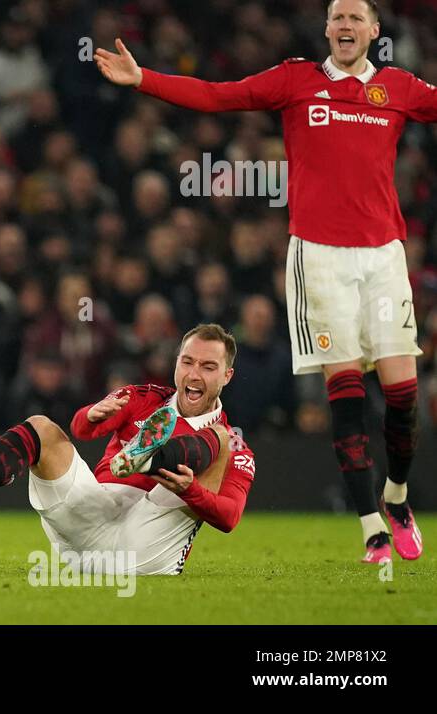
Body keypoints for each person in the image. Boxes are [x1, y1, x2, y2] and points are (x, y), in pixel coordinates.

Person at [95, 0, 432, 562]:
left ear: (375, 30)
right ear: (327, 29)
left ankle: (396, 496)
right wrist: (143, 79)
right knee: (344, 389)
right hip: (319, 258)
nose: (345, 26)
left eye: (356, 18)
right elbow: (218, 95)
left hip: (382, 257)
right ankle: (371, 523)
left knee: (402, 393)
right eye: (337, 17)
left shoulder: (397, 87)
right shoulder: (296, 79)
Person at [0, 324, 256, 576]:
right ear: (176, 362)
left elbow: (228, 518)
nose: (194, 374)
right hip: (90, 525)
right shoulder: (143, 397)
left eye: (208, 367)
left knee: (221, 439)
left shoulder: (236, 445)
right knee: (42, 427)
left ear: (227, 375)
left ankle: (149, 458)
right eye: (187, 362)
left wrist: (191, 490)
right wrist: (90, 414)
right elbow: (81, 430)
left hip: (145, 548)